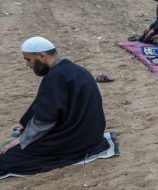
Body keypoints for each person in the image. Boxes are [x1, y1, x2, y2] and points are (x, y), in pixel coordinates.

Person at [1, 37, 109, 177]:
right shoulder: (75, 69)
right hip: (92, 136)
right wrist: (26, 124)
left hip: (74, 140)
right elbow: (45, 103)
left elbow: (45, 120)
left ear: (41, 55)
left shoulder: (55, 77)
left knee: (6, 158)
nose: (28, 64)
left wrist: (22, 140)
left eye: (28, 60)